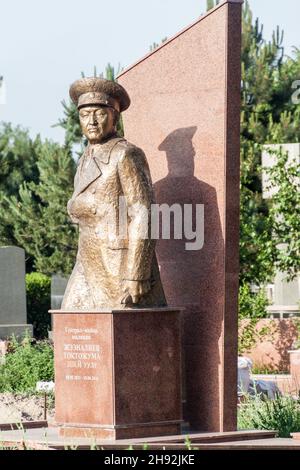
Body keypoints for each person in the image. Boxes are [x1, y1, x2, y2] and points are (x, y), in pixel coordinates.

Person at [62, 77, 166, 310]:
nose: (91, 121)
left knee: (119, 332)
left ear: (114, 117)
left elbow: (143, 213)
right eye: (84, 115)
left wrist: (137, 272)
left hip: (117, 265)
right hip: (87, 260)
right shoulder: (85, 158)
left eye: (99, 113)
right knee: (71, 318)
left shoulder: (125, 154)